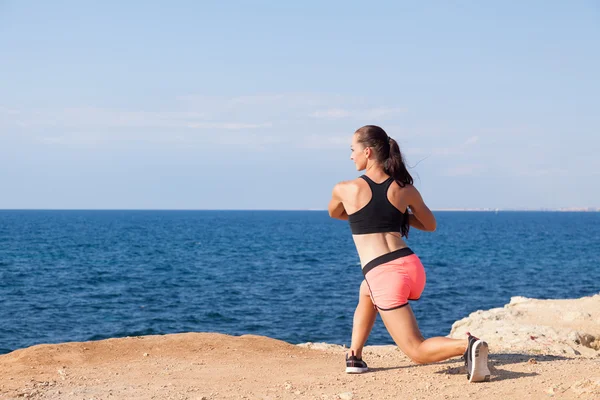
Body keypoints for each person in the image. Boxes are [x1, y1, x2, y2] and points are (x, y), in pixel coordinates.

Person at [328, 125, 490, 383]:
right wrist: (400, 213)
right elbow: (430, 224)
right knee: (366, 290)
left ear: (367, 152)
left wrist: (366, 216)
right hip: (410, 265)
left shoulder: (344, 189)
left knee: (416, 350)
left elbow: (335, 213)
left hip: (385, 273)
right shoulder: (404, 189)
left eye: (352, 150)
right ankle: (354, 355)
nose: (351, 156)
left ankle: (467, 345)